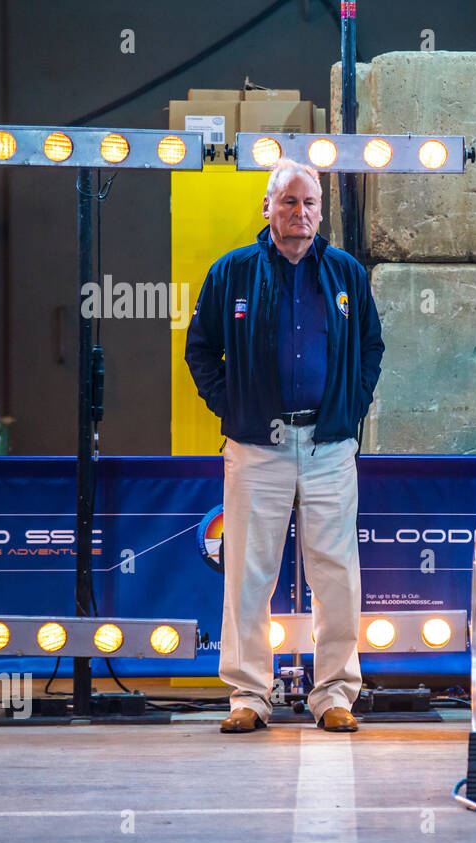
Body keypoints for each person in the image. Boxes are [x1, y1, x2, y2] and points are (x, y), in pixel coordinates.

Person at [184, 158, 384, 733]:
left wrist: (352, 406)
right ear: (267, 208)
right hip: (256, 448)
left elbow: (371, 347)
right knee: (247, 572)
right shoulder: (232, 274)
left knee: (337, 573)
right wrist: (234, 408)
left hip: (328, 446)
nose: (300, 214)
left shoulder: (346, 273)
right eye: (289, 202)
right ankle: (248, 695)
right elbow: (201, 350)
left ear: (321, 213)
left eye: (310, 204)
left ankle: (335, 694)